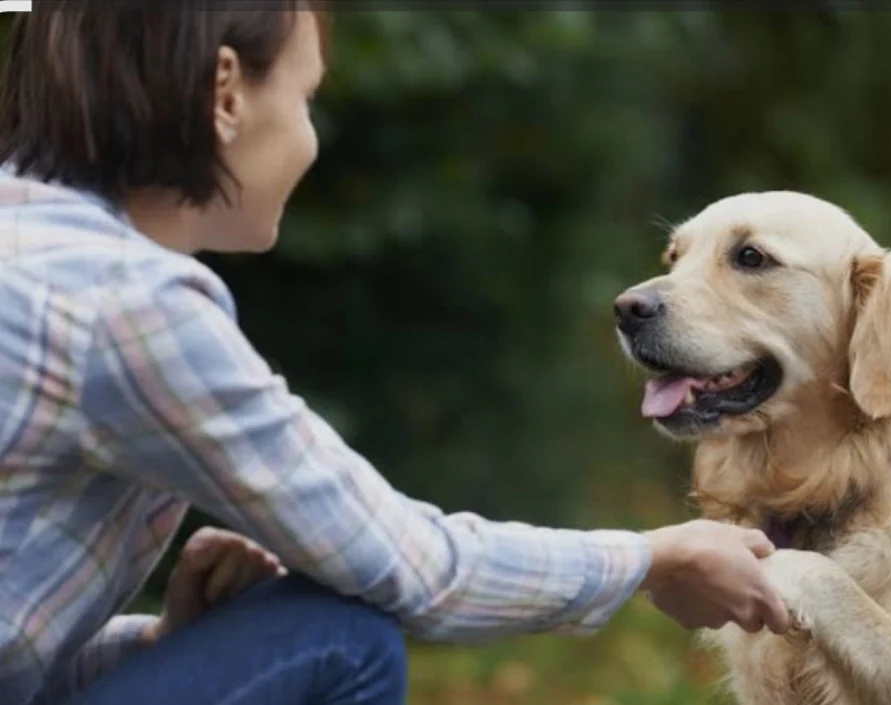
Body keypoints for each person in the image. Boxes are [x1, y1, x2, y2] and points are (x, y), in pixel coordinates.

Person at [0, 4, 792, 705]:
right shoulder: (129, 305)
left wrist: (163, 643)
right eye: (306, 99)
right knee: (339, 636)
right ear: (227, 92)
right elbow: (414, 567)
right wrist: (652, 557)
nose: (309, 138)